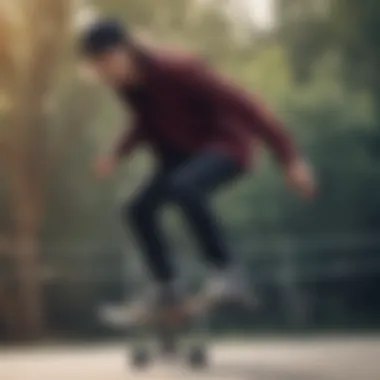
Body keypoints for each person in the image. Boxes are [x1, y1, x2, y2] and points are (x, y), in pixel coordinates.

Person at [79, 18, 315, 310]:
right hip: (180, 157)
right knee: (136, 209)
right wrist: (117, 153)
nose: (106, 72)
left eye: (108, 61)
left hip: (224, 146)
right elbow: (145, 122)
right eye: (98, 66)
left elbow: (244, 103)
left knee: (184, 188)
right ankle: (167, 286)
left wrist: (289, 157)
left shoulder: (176, 70)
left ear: (128, 50)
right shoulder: (127, 86)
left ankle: (227, 272)